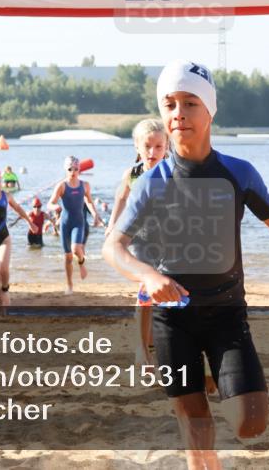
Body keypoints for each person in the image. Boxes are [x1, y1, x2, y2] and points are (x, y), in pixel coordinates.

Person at [102, 60, 269, 470]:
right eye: (170, 104)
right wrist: (148, 275)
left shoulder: (237, 173)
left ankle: (214, 380)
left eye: (190, 103)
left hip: (226, 314)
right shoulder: (151, 183)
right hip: (172, 319)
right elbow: (113, 247)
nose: (179, 114)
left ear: (210, 111)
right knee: (195, 422)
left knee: (250, 422)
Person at [107, 118, 170, 368]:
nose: (152, 152)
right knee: (146, 288)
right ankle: (141, 348)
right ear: (137, 146)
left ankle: (154, 342)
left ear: (167, 146)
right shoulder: (132, 174)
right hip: (140, 239)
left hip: (168, 239)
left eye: (158, 146)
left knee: (165, 291)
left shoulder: (173, 172)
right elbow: (121, 199)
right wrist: (112, 226)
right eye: (147, 146)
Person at [0, 165, 39, 306]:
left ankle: (5, 289)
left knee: (3, 268)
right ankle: (1, 300)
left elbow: (18, 208)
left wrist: (30, 223)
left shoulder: (6, 196)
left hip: (3, 237)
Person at [48, 155, 101, 295]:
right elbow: (50, 203)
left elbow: (89, 201)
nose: (73, 171)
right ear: (66, 169)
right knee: (68, 257)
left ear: (79, 169)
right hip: (65, 223)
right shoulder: (62, 186)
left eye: (76, 169)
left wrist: (95, 214)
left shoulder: (85, 185)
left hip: (78, 222)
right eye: (70, 169)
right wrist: (55, 207)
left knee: (76, 248)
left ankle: (82, 262)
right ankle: (70, 285)